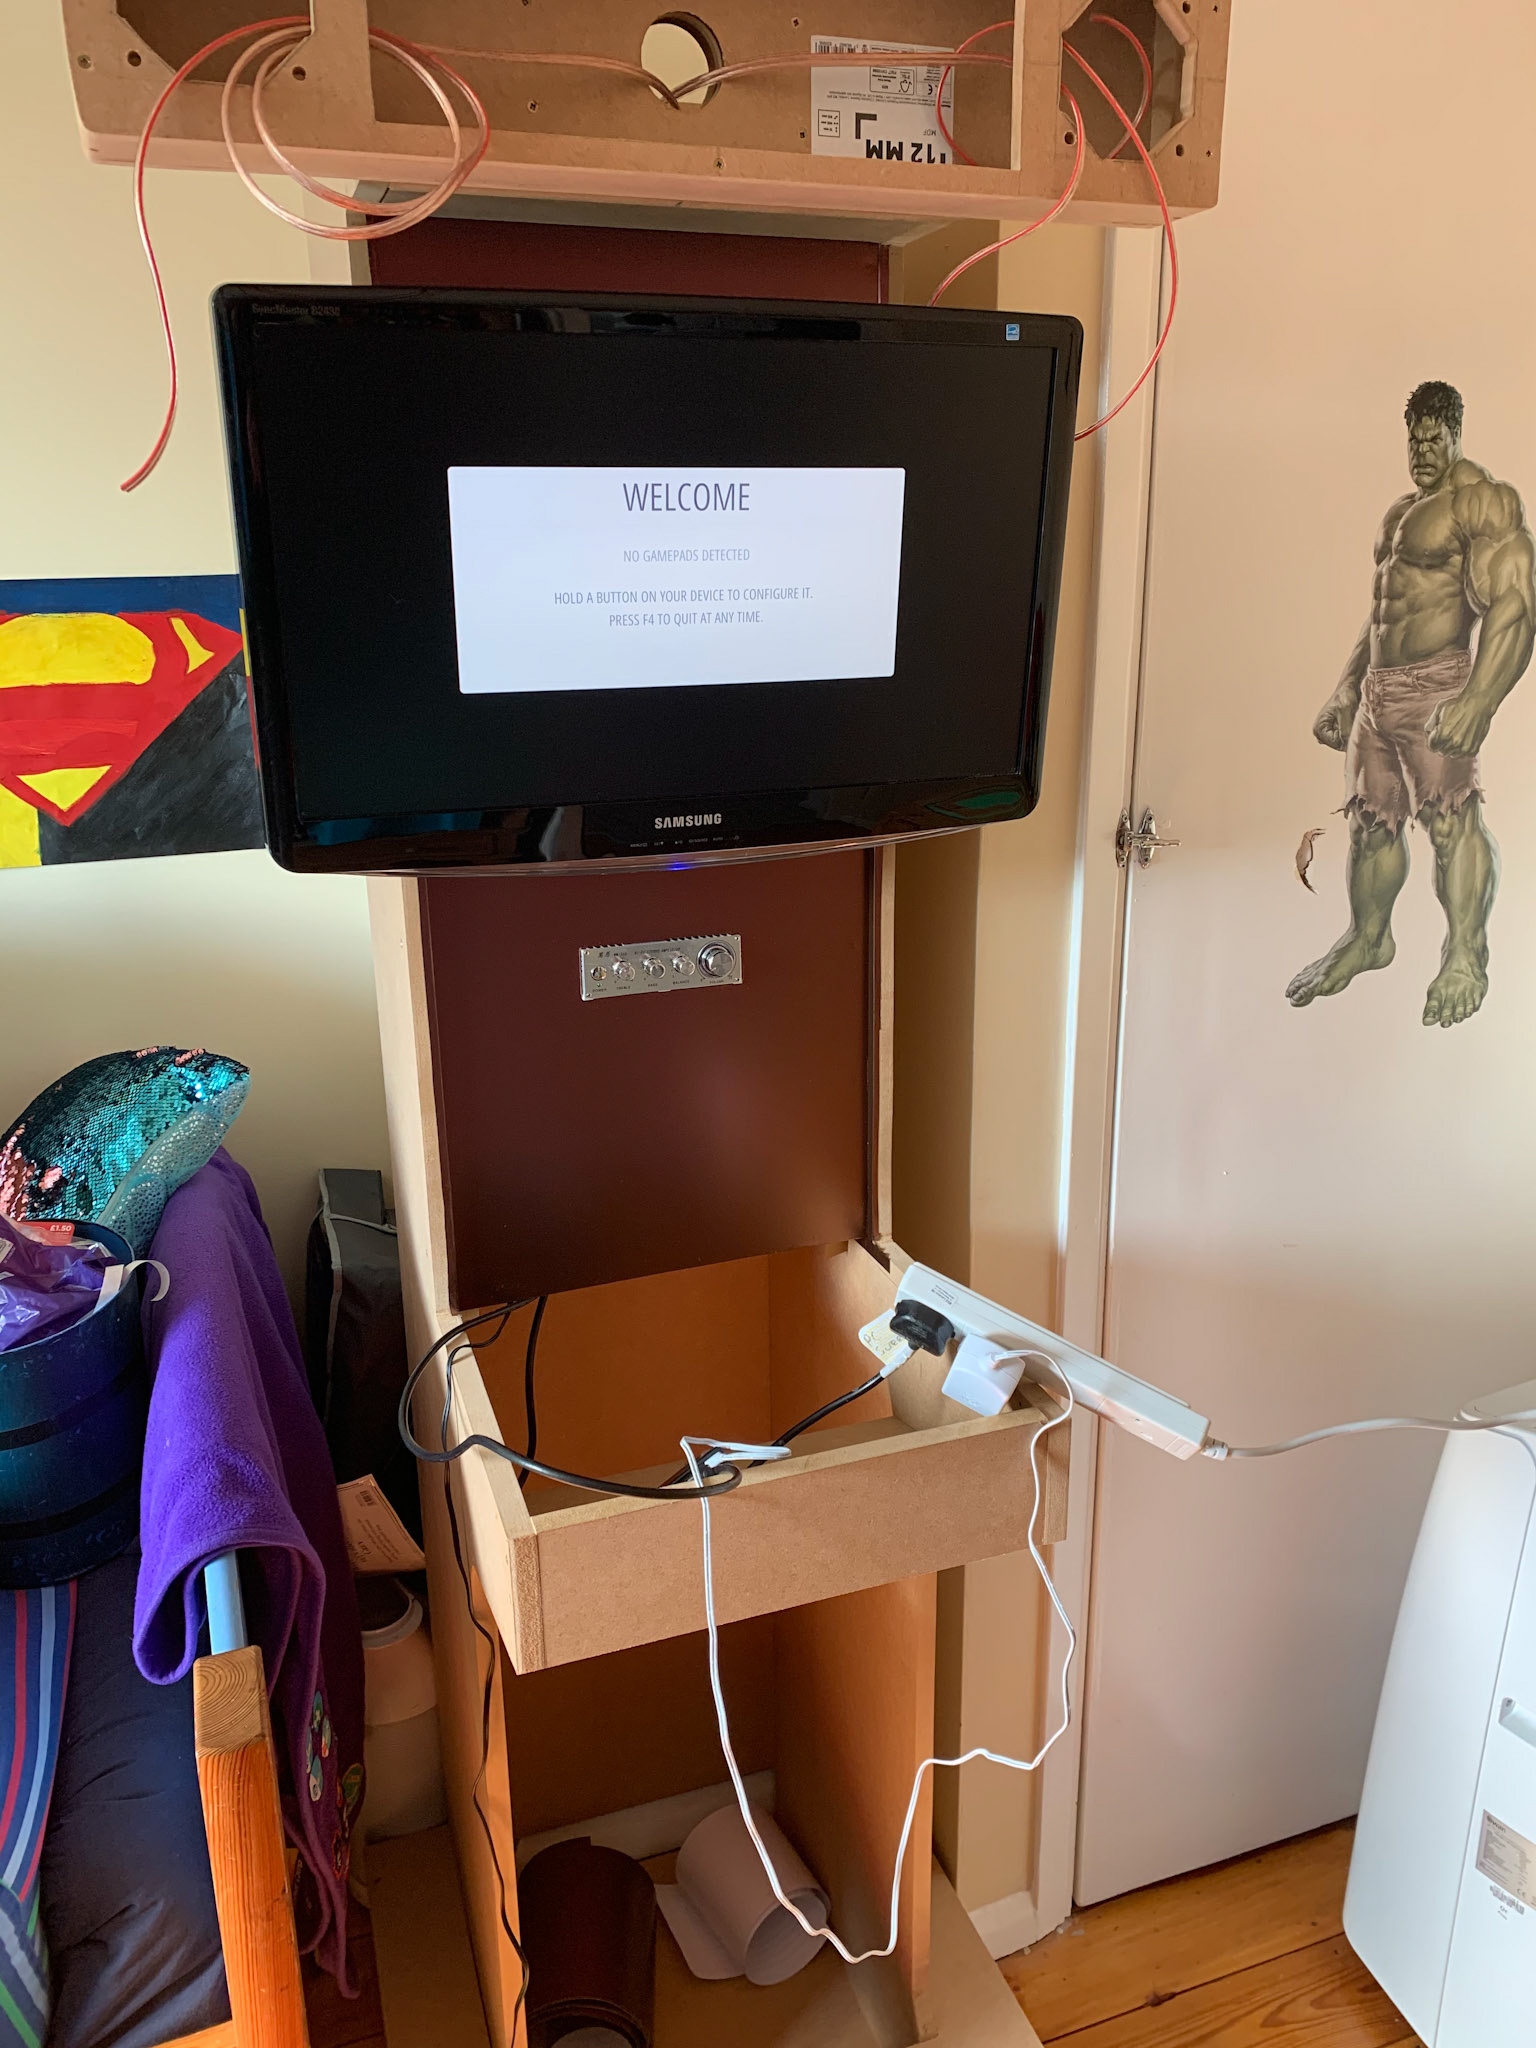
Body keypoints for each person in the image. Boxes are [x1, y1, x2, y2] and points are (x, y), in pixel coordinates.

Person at [1286, 381, 1535, 1026]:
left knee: (1452, 822)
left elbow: (1515, 603)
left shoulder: (1480, 501)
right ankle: (1368, 939)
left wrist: (1479, 701)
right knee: (1370, 825)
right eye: (1413, 440)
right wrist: (1347, 687)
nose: (1421, 451)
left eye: (1433, 439)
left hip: (1436, 688)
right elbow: (1382, 617)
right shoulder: (1402, 512)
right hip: (1378, 694)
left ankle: (1466, 956)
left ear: (1455, 435)